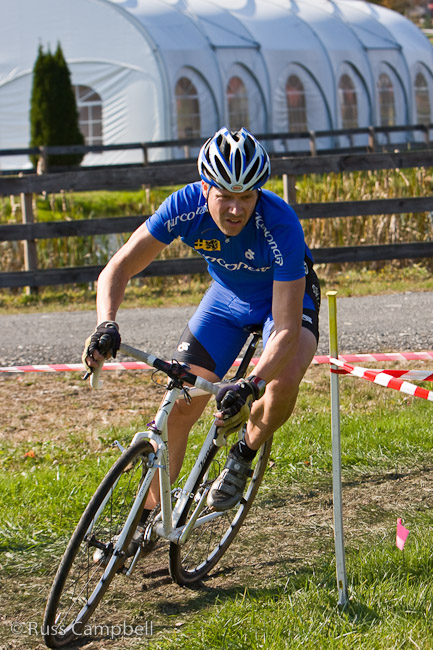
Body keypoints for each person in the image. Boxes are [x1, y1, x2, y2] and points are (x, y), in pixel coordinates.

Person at [83, 126, 320, 551]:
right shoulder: (184, 206)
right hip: (227, 300)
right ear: (205, 188)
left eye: (246, 197)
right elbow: (117, 268)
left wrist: (251, 383)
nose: (236, 209)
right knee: (179, 409)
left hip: (283, 300)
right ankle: (145, 520)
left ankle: (244, 453)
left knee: (282, 379)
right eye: (225, 196)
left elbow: (285, 331)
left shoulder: (280, 222)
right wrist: (106, 324)